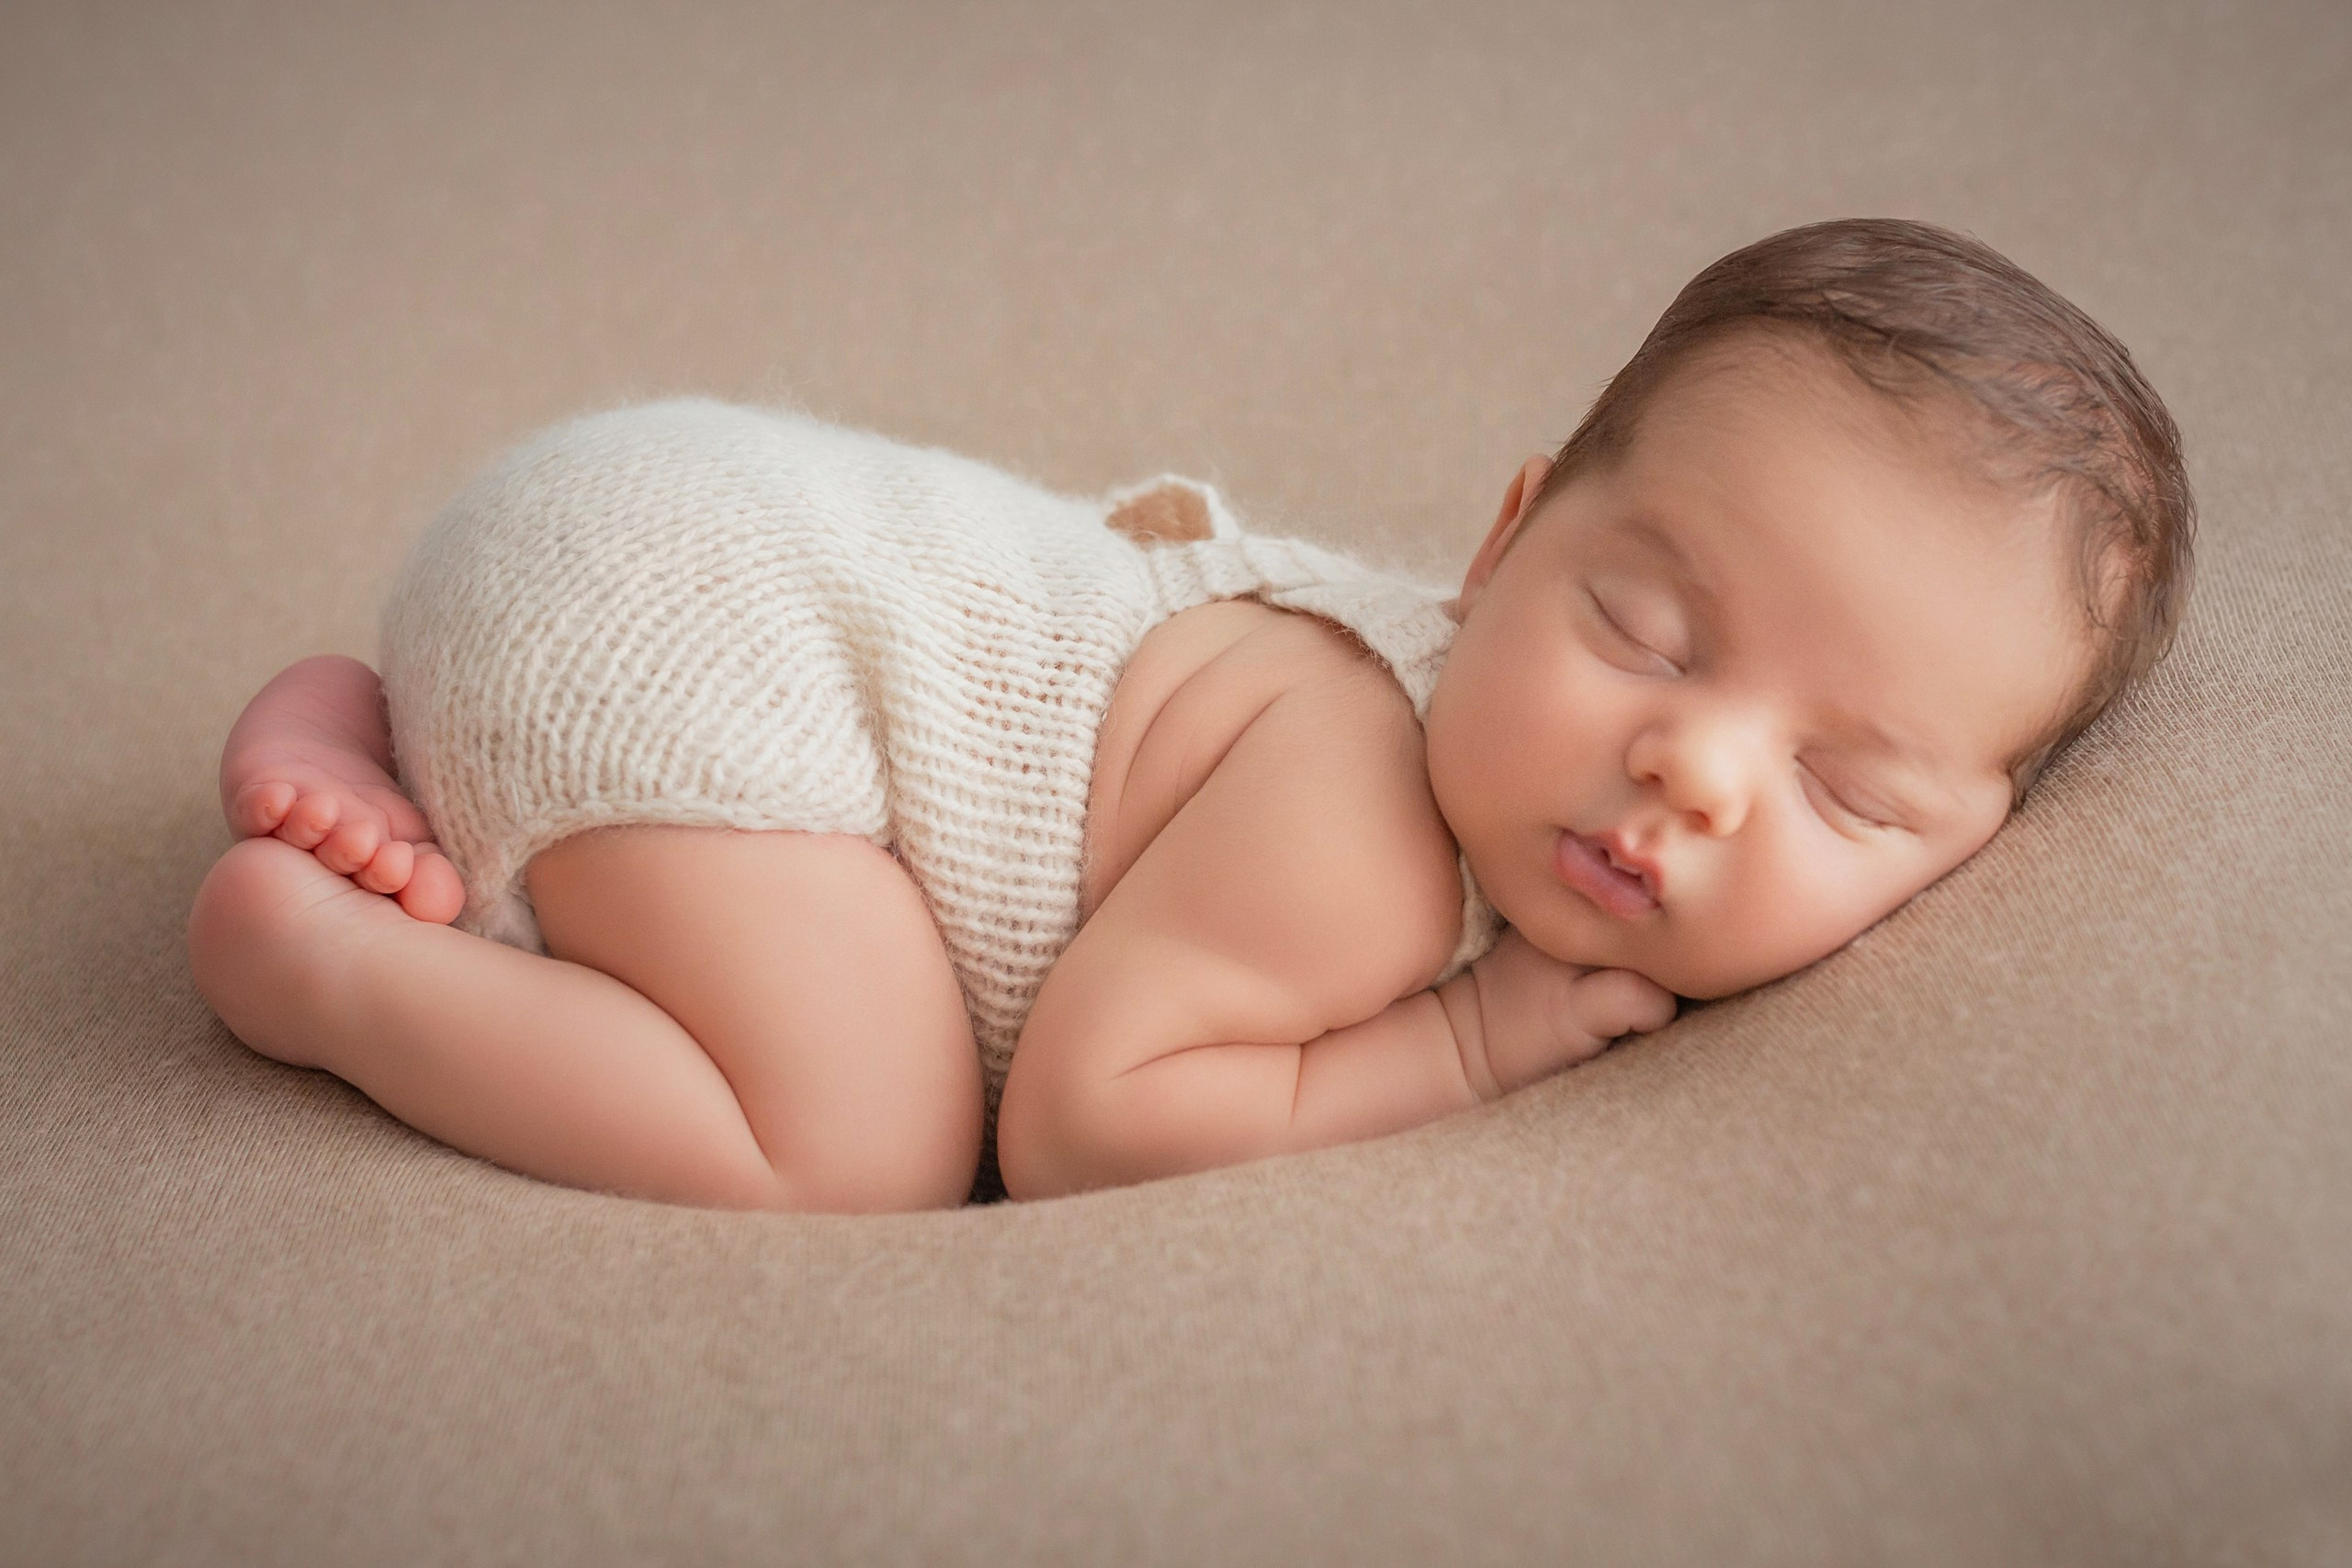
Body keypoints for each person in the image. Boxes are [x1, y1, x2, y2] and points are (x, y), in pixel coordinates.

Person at [184, 218, 2194, 1211]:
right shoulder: (1362, 835)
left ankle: (375, 720)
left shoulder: (1474, 711)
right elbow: (1077, 1118)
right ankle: (331, 962)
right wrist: (1467, 1045)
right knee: (862, 1136)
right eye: (1646, 633)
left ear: (1967, 843)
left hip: (626, 506)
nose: (1697, 765)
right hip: (681, 629)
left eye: (1845, 787)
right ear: (1492, 547)